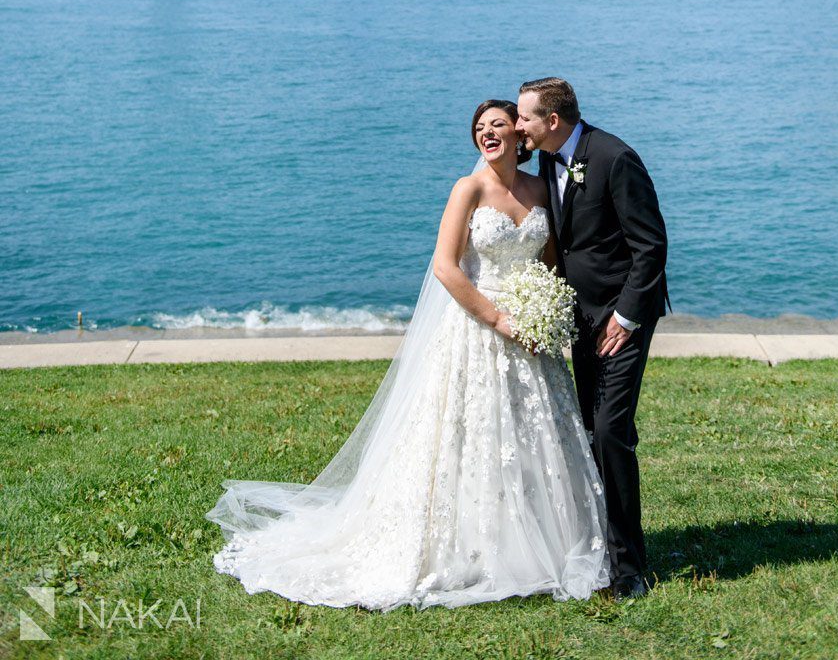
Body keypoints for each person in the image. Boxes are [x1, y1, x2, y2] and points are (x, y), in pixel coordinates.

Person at [206, 99, 609, 610]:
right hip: (478, 329)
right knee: (470, 436)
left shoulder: (539, 190)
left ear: (519, 136)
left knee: (532, 435)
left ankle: (539, 544)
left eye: (498, 126)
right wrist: (498, 318)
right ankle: (463, 547)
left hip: (530, 335)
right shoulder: (468, 189)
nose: (487, 134)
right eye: (479, 128)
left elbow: (550, 262)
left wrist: (542, 314)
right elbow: (445, 267)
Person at [516, 77, 668, 601]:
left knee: (610, 430)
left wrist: (625, 318)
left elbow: (650, 246)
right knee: (588, 427)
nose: (518, 126)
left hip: (621, 319)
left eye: (524, 118)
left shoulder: (614, 157)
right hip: (580, 318)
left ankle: (629, 568)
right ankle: (599, 543)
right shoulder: (548, 158)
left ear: (551, 121)